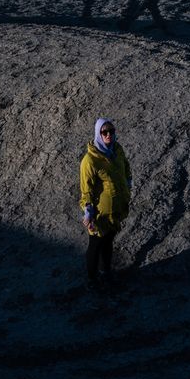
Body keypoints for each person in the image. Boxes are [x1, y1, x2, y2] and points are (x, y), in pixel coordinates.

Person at [79, 117, 132, 288]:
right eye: (104, 132)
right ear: (98, 134)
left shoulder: (117, 150)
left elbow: (126, 167)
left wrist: (128, 184)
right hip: (99, 213)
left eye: (111, 131)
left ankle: (106, 272)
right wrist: (88, 211)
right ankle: (92, 279)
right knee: (95, 245)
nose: (108, 134)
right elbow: (86, 189)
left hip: (115, 209)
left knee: (108, 241)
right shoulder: (90, 160)